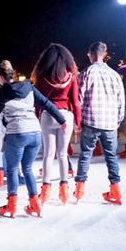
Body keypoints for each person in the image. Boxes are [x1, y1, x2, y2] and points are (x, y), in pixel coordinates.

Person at [0, 60, 66, 219]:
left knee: (13, 169)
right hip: (35, 133)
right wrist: (61, 120)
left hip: (17, 134)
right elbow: (46, 103)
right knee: (28, 168)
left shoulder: (1, 93)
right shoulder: (29, 87)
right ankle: (35, 204)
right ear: (13, 74)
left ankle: (12, 204)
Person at [31, 43, 82, 206]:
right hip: (66, 116)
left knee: (48, 155)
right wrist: (78, 121)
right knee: (62, 155)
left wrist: (37, 115)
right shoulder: (71, 77)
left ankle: (45, 191)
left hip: (47, 116)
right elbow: (75, 101)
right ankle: (64, 190)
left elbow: (38, 102)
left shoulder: (41, 75)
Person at [75, 42, 126, 205]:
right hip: (110, 123)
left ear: (90, 54)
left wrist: (79, 120)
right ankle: (116, 191)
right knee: (111, 157)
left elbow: (79, 99)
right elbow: (121, 102)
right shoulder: (114, 75)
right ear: (105, 54)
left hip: (91, 121)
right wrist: (117, 121)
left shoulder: (86, 72)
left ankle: (80, 189)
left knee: (85, 155)